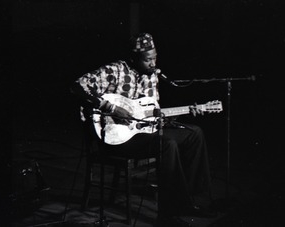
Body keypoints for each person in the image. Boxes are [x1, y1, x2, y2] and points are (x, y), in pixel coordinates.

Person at [71, 33, 216, 227]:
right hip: (116, 137)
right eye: (148, 59)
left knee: (194, 133)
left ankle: (192, 201)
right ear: (133, 58)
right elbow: (77, 86)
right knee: (167, 144)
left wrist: (187, 110)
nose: (153, 63)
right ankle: (168, 214)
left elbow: (152, 115)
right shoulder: (115, 70)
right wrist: (111, 107)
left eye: (155, 57)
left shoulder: (152, 77)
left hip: (141, 132)